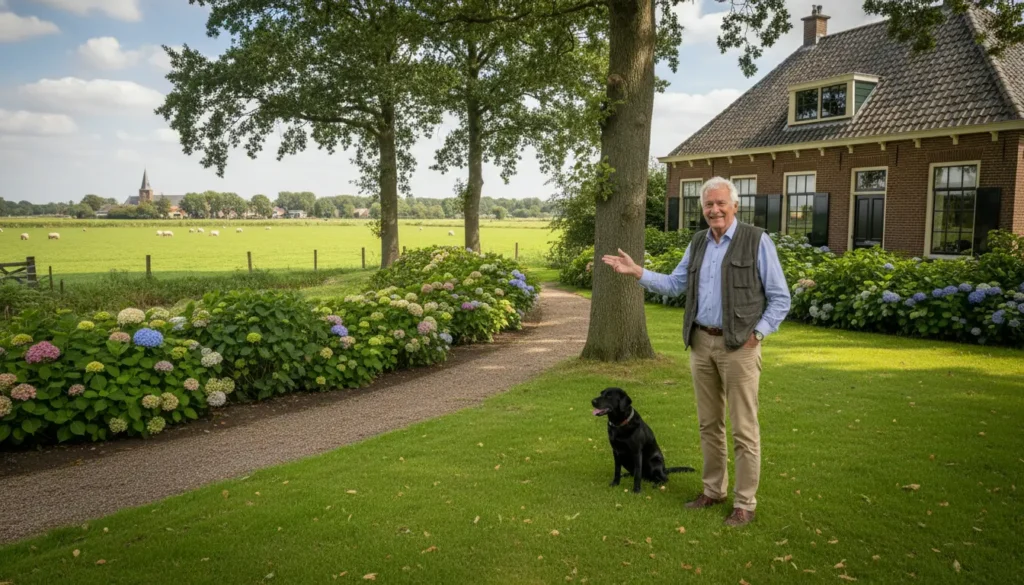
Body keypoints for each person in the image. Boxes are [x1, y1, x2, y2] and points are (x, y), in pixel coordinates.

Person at [601, 176, 791, 527]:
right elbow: (676, 285)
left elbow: (781, 297)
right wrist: (637, 271)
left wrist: (758, 334)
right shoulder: (698, 243)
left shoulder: (756, 240)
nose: (714, 210)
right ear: (702, 209)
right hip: (701, 343)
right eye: (708, 205)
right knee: (709, 424)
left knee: (744, 429)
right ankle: (713, 490)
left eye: (721, 203)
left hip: (740, 346)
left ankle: (744, 503)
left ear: (735, 206)